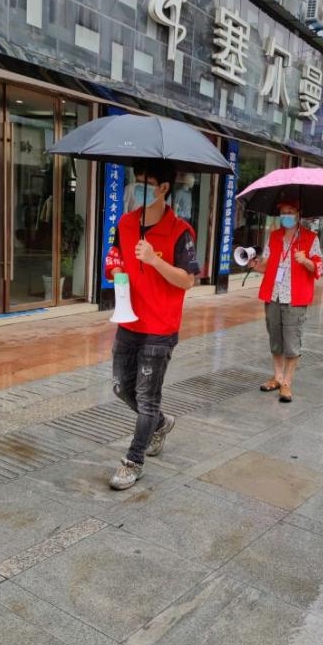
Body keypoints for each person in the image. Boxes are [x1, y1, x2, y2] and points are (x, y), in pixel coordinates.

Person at [104, 159, 200, 490]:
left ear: (164, 189)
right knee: (121, 387)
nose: (139, 189)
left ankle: (133, 461)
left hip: (160, 328)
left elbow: (187, 280)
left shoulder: (180, 232)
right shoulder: (126, 222)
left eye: (146, 184)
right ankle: (160, 422)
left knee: (146, 398)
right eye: (137, 182)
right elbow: (114, 257)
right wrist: (117, 271)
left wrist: (154, 260)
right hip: (129, 320)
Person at [250, 198, 322, 402]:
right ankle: (277, 377)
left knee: (292, 342)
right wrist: (255, 265)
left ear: (299, 213)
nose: (286, 216)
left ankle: (287, 383)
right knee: (275, 339)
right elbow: (267, 265)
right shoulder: (274, 236)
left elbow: (319, 267)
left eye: (290, 212)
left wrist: (305, 261)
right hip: (273, 294)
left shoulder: (310, 238)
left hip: (295, 297)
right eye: (283, 212)